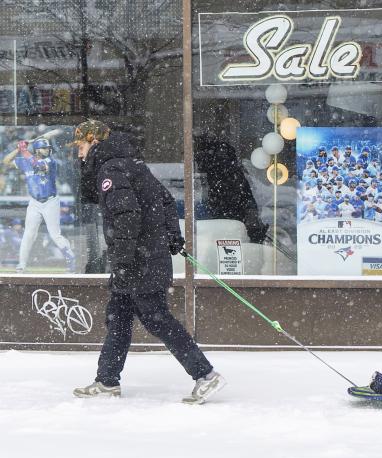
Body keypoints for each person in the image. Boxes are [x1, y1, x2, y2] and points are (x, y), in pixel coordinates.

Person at [71, 120, 224, 404]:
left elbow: (127, 217)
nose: (79, 154)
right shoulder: (131, 164)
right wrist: (172, 237)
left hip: (139, 260)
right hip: (144, 256)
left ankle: (206, 374)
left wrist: (125, 259)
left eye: (80, 147)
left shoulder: (112, 170)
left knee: (157, 319)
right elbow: (165, 200)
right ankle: (107, 381)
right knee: (118, 318)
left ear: (93, 142)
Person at [2, 136, 75, 272]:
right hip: (34, 202)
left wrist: (24, 151)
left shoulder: (50, 161)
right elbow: (6, 161)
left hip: (50, 201)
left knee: (55, 234)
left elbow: (38, 165)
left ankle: (71, 259)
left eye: (48, 148)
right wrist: (18, 149)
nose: (47, 150)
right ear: (36, 150)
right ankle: (21, 266)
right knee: (28, 234)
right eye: (44, 148)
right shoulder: (25, 161)